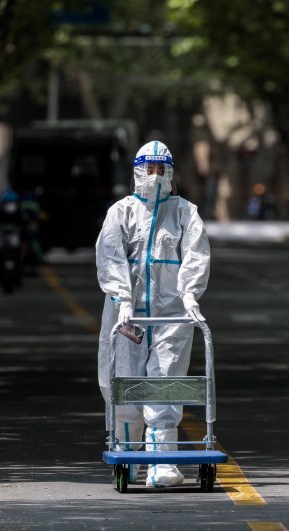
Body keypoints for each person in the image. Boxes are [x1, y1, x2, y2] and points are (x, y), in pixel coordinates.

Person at [96, 140, 211, 488]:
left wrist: (190, 294)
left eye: (162, 170)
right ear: (137, 171)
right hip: (126, 316)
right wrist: (122, 298)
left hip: (171, 313)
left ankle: (162, 464)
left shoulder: (184, 212)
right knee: (126, 384)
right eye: (150, 169)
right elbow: (111, 255)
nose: (156, 176)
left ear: (171, 173)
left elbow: (196, 254)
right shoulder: (121, 212)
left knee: (164, 382)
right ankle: (129, 458)